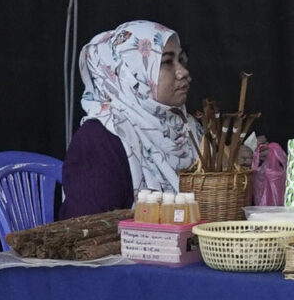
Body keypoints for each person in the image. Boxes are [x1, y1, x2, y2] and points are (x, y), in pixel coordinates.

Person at [61, 21, 202, 219]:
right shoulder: (100, 139)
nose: (183, 72)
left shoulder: (188, 128)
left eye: (181, 60)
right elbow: (86, 230)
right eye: (166, 62)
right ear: (129, 75)